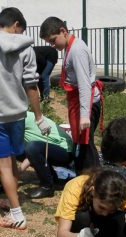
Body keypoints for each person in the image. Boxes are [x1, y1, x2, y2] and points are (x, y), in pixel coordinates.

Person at [0, 7, 51, 231]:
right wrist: (39, 116)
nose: (19, 34)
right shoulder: (26, 48)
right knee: (12, 162)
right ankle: (13, 199)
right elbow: (31, 86)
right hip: (18, 115)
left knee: (4, 166)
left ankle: (17, 214)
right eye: (20, 30)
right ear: (16, 24)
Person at [40, 16, 103, 174]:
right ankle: (85, 176)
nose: (53, 46)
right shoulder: (70, 47)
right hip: (79, 101)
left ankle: (92, 178)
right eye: (50, 43)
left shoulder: (77, 50)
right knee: (83, 143)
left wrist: (84, 115)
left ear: (63, 31)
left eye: (53, 41)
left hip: (87, 103)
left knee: (85, 143)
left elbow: (84, 84)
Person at [20, 111, 73, 198]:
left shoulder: (20, 119)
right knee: (20, 151)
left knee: (31, 148)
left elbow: (32, 151)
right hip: (46, 149)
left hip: (65, 152)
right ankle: (53, 178)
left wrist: (19, 171)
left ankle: (47, 186)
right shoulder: (14, 118)